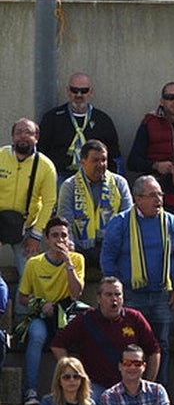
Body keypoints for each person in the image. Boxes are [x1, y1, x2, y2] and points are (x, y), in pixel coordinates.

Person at [100, 174, 174, 385]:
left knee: (161, 344)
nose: (158, 200)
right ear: (138, 199)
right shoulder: (121, 223)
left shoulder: (172, 223)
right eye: (152, 195)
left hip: (162, 295)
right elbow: (108, 258)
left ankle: (159, 390)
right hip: (131, 295)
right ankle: (128, 390)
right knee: (130, 344)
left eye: (160, 194)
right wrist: (116, 292)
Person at [17, 216, 84, 405]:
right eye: (55, 235)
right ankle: (30, 391)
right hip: (41, 315)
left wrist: (68, 262)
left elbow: (76, 293)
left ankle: (77, 391)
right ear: (46, 239)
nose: (59, 240)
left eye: (64, 235)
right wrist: (40, 304)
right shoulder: (34, 263)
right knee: (37, 335)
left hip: (66, 314)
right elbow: (22, 298)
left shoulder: (77, 260)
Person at [51, 276, 160, 392]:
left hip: (128, 386)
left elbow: (154, 350)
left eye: (118, 294)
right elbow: (57, 345)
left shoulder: (134, 318)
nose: (114, 299)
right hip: (95, 386)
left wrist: (147, 384)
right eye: (109, 295)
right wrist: (72, 371)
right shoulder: (86, 319)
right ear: (99, 298)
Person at [0, 118, 57, 280]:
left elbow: (49, 203)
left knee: (29, 276)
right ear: (12, 137)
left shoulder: (46, 166)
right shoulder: (1, 156)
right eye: (18, 132)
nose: (23, 136)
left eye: (28, 133)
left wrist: (36, 235)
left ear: (36, 138)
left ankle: (23, 299)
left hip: (28, 227)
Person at [57, 139, 132, 261]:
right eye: (95, 160)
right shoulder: (69, 186)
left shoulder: (119, 183)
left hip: (112, 247)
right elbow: (65, 221)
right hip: (80, 248)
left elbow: (127, 218)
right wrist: (70, 245)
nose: (100, 164)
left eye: (104, 160)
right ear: (83, 162)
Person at [39, 71, 122, 176]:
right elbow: (41, 152)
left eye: (84, 91)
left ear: (91, 92)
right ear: (68, 91)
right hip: (60, 174)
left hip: (94, 176)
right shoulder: (53, 118)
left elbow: (115, 156)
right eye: (74, 90)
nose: (79, 95)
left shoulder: (103, 120)